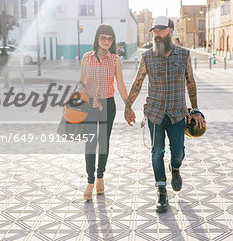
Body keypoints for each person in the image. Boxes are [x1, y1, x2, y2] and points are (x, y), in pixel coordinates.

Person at [124, 16, 205, 212]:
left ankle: (175, 168)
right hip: (155, 113)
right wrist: (128, 106)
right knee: (156, 152)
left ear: (171, 30)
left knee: (178, 153)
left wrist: (195, 111)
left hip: (178, 114)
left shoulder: (184, 56)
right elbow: (137, 83)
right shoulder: (147, 57)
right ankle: (161, 191)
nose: (157, 34)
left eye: (160, 30)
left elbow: (191, 83)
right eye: (154, 31)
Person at [78, 23, 128, 200]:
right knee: (90, 143)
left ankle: (100, 177)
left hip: (108, 105)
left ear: (112, 40)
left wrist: (128, 105)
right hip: (90, 105)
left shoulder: (115, 60)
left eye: (109, 38)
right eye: (103, 37)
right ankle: (90, 181)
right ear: (97, 38)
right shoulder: (87, 57)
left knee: (104, 143)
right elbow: (81, 81)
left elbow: (120, 84)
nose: (106, 41)